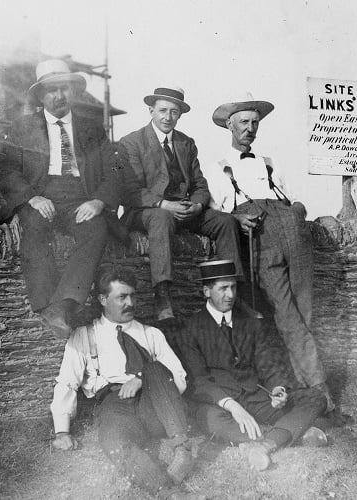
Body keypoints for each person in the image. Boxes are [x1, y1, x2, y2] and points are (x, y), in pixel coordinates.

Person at [206, 94, 333, 410]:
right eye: (243, 123)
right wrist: (236, 218)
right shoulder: (216, 167)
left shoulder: (270, 162)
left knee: (307, 310)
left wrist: (297, 211)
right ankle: (318, 390)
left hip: (292, 231)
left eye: (254, 123)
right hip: (259, 237)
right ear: (229, 126)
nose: (250, 129)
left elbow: (292, 198)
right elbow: (215, 213)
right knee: (287, 314)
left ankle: (303, 387)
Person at [50, 266, 203, 500]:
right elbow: (67, 383)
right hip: (115, 406)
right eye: (122, 297)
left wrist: (141, 379)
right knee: (114, 442)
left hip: (156, 408)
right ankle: (168, 491)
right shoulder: (84, 335)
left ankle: (182, 449)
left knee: (153, 368)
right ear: (103, 299)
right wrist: (62, 431)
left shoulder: (151, 333)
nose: (130, 303)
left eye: (133, 295)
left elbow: (178, 376)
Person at [0, 59, 121, 339]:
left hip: (81, 198)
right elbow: (6, 168)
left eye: (64, 89)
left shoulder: (92, 128)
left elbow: (114, 171)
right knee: (34, 226)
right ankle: (44, 304)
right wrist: (31, 197)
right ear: (41, 96)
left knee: (96, 229)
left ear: (73, 91)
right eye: (51, 90)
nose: (59, 96)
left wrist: (99, 201)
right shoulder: (23, 128)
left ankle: (62, 306)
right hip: (42, 197)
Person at [175, 260, 328, 471]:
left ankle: (265, 444)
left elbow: (269, 365)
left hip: (256, 398)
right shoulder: (190, 329)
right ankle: (293, 433)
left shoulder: (250, 323)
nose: (230, 295)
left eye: (233, 287)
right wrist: (232, 405)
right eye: (223, 289)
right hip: (221, 404)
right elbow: (198, 381)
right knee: (206, 417)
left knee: (315, 398)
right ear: (206, 291)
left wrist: (277, 389)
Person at [118, 86, 244, 325]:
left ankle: (231, 290)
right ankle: (163, 297)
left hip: (184, 209)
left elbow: (200, 185)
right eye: (162, 110)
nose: (167, 117)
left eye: (174, 112)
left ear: (180, 115)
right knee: (161, 218)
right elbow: (129, 190)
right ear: (151, 110)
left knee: (225, 221)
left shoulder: (186, 143)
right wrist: (163, 204)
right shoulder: (132, 142)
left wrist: (196, 206)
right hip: (146, 211)